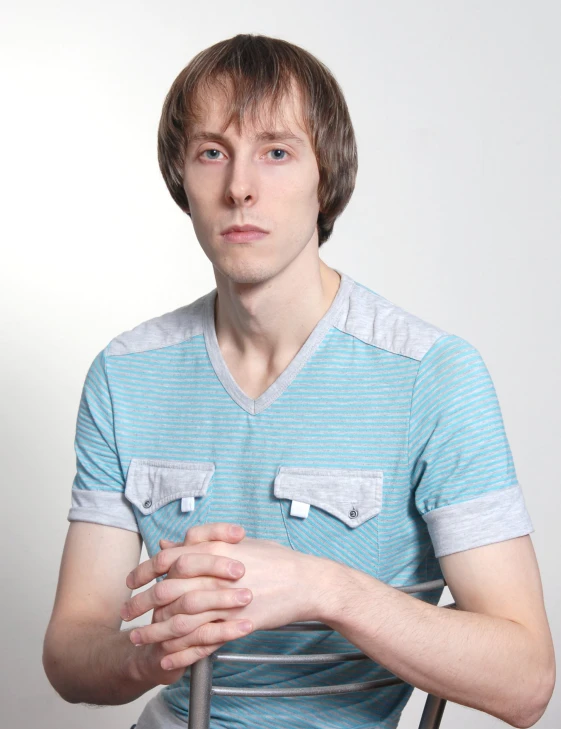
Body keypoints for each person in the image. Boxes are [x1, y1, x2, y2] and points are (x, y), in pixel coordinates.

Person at [43, 34, 555, 729]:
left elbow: (525, 680)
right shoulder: (123, 373)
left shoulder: (432, 375)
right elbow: (71, 650)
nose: (240, 186)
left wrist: (323, 588)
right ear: (181, 178)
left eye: (276, 151)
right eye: (212, 152)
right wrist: (151, 653)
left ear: (327, 176)